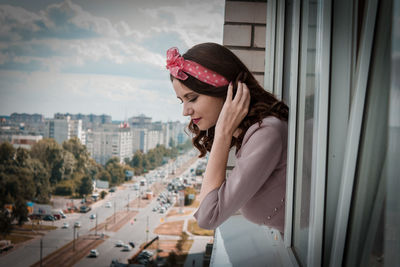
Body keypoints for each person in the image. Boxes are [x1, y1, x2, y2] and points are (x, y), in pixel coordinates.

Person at [166, 43, 288, 233]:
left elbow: (208, 217)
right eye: (182, 101)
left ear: (225, 90)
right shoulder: (255, 132)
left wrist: (223, 132)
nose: (185, 111)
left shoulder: (266, 133)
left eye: (192, 98)